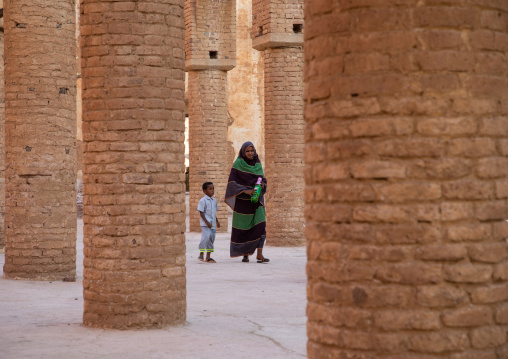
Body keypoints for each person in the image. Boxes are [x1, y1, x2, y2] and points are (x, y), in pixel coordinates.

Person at [225, 141, 269, 263]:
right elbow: (232, 184)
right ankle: (245, 254)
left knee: (261, 225)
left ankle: (260, 254)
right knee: (244, 228)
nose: (250, 153)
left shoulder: (258, 164)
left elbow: (263, 179)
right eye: (247, 151)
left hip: (257, 201)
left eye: (252, 151)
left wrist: (261, 185)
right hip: (243, 202)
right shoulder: (238, 163)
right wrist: (245, 191)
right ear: (243, 152)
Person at [198, 182, 220, 263]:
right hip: (205, 224)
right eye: (210, 189)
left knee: (211, 239)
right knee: (206, 237)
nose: (212, 190)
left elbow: (214, 213)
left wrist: (217, 221)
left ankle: (208, 257)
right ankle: (201, 253)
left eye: (213, 189)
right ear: (204, 191)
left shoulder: (214, 200)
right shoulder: (202, 200)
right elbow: (201, 212)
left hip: (212, 224)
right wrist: (206, 222)